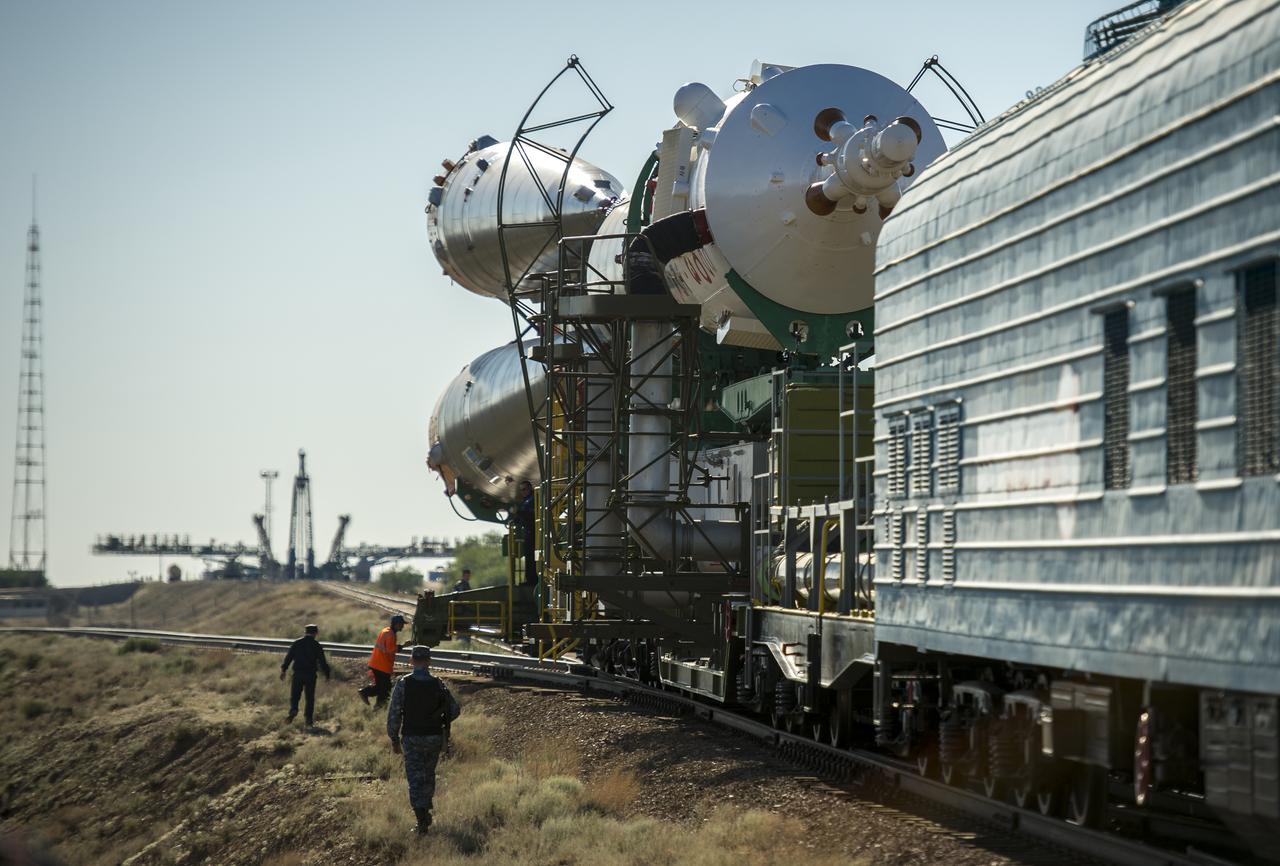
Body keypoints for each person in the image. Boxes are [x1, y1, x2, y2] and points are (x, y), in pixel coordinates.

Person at [387, 645, 461, 835]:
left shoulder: (404, 684)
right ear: (428, 661)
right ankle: (425, 813)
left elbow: (394, 714)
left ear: (411, 661)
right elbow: (454, 710)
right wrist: (438, 720)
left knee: (415, 778)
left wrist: (394, 739)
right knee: (428, 775)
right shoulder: (438, 684)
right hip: (434, 737)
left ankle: (421, 822)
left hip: (412, 737)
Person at [280, 623, 331, 726]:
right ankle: (308, 719)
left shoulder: (297, 643)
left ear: (305, 632)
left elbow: (288, 657)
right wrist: (327, 674)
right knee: (310, 698)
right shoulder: (317, 645)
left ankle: (293, 710)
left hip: (298, 674)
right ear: (316, 633)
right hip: (311, 675)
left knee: (295, 696)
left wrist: (283, 670)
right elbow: (322, 661)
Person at [358, 613, 405, 708]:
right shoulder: (390, 634)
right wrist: (403, 646)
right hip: (382, 666)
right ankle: (375, 702)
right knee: (385, 688)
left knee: (382, 687)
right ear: (396, 624)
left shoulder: (385, 631)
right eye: (401, 624)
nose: (403, 626)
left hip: (377, 663)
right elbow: (390, 649)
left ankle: (373, 701)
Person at [512, 480, 537, 585]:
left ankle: (533, 580)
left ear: (530, 488)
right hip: (528, 532)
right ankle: (530, 579)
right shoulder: (525, 501)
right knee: (529, 557)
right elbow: (522, 516)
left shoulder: (533, 499)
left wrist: (519, 513)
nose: (523, 492)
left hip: (533, 532)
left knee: (532, 557)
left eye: (525, 489)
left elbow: (532, 515)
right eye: (521, 490)